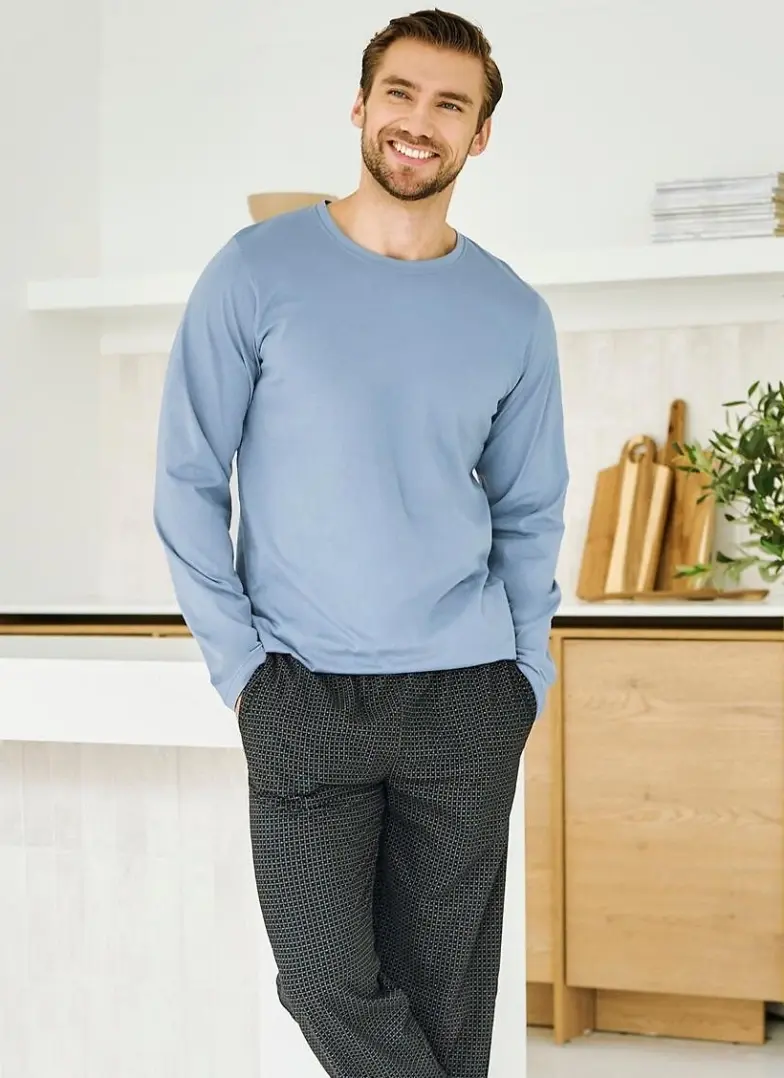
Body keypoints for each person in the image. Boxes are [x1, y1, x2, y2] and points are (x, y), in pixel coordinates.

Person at [153, 8, 568, 1077]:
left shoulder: (512, 313)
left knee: (446, 1010)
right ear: (360, 106)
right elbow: (188, 481)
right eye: (400, 93)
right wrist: (243, 673)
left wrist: (524, 677)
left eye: (450, 104)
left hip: (466, 697)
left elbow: (529, 511)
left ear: (479, 134)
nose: (419, 122)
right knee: (321, 977)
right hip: (301, 693)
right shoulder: (254, 272)